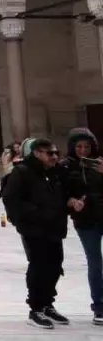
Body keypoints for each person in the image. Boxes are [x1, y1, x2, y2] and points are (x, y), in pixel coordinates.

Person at [3, 137, 71, 329]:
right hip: (34, 228)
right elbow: (11, 199)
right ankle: (35, 308)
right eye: (50, 153)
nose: (54, 157)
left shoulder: (56, 172)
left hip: (54, 228)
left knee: (55, 265)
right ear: (37, 153)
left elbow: (65, 192)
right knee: (39, 266)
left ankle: (48, 303)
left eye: (56, 153)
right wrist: (35, 215)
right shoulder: (22, 172)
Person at [62, 128, 103, 325]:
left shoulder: (100, 163)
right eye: (79, 147)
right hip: (86, 221)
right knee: (95, 263)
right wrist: (72, 202)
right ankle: (99, 306)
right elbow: (59, 193)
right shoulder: (65, 167)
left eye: (87, 146)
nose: (83, 151)